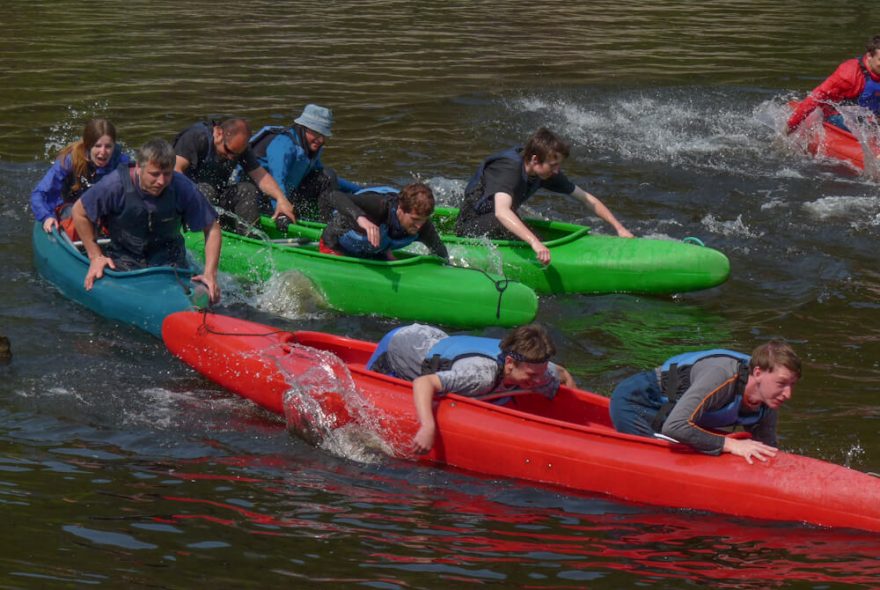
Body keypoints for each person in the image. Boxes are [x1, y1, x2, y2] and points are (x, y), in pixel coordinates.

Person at [367, 323, 575, 453]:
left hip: (437, 341)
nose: (540, 381)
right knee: (366, 404)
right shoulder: (480, 376)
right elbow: (424, 383)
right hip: (402, 346)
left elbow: (563, 375)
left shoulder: (538, 367)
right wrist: (427, 427)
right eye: (532, 376)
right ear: (510, 363)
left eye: (542, 373)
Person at [71, 138, 222, 303]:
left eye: (167, 174)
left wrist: (210, 274)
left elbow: (212, 228)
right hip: (125, 259)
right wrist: (95, 256)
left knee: (206, 300)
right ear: (138, 167)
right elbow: (79, 212)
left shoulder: (182, 187)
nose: (161, 181)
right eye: (154, 174)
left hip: (170, 262)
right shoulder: (114, 185)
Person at [455, 127, 633, 265]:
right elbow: (501, 212)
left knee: (533, 234)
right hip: (471, 229)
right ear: (534, 160)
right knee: (527, 233)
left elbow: (587, 199)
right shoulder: (508, 169)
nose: (557, 171)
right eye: (553, 165)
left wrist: (619, 228)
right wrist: (534, 243)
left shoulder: (544, 173)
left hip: (501, 224)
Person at [609, 341, 801, 464]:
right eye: (781, 383)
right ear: (758, 373)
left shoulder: (768, 402)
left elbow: (766, 448)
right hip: (638, 405)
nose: (788, 394)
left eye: (792, 385)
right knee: (654, 463)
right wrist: (731, 444)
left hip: (671, 415)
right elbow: (675, 427)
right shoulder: (721, 377)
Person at [173, 117, 294, 230]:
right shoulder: (196, 137)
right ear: (219, 133)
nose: (231, 157)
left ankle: (249, 235)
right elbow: (175, 173)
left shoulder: (238, 148)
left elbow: (260, 176)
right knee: (206, 191)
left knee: (248, 189)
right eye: (228, 151)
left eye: (235, 155)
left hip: (216, 199)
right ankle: (200, 229)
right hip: (187, 201)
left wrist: (281, 199)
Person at [248, 103, 360, 223]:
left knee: (327, 176)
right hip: (265, 197)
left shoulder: (310, 147)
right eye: (316, 133)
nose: (321, 140)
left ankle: (326, 223)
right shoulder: (283, 145)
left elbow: (326, 177)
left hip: (288, 193)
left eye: (323, 134)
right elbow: (276, 181)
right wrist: (282, 211)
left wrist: (358, 190)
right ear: (302, 127)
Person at [30, 118, 130, 239]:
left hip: (104, 209)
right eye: (97, 146)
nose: (103, 152)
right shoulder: (69, 161)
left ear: (114, 146)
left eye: (108, 146)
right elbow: (39, 193)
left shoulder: (122, 163)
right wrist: (47, 216)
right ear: (88, 146)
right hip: (70, 207)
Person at [319, 183, 448, 260]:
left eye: (423, 220)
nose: (419, 225)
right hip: (335, 243)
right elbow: (334, 196)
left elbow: (441, 253)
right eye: (414, 219)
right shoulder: (379, 206)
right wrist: (361, 218)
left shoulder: (424, 226)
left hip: (373, 251)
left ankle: (385, 253)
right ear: (400, 209)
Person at [787, 35, 880, 133]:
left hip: (871, 118)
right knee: (865, 125)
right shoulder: (848, 74)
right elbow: (815, 98)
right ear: (869, 56)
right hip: (837, 118)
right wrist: (790, 127)